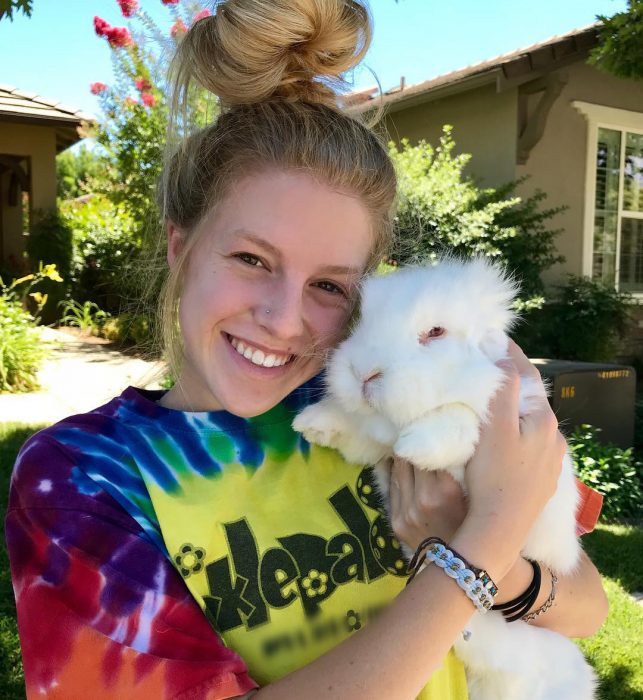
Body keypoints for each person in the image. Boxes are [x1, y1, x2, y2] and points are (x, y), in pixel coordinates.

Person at [6, 1, 608, 698]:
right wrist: (480, 541)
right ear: (181, 248)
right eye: (251, 260)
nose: (284, 321)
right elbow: (504, 529)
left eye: (328, 284)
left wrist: (498, 555)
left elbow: (587, 605)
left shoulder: (374, 402)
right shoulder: (83, 479)